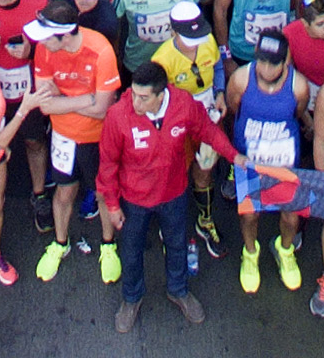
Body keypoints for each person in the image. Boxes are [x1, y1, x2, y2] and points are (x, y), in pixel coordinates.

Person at [97, 52, 237, 330]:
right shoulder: (117, 116)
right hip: (134, 199)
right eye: (134, 94)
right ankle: (131, 298)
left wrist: (234, 156)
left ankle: (178, 290)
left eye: (143, 98)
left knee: (177, 245)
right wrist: (112, 205)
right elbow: (108, 164)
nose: (135, 102)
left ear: (161, 96)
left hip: (173, 194)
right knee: (131, 250)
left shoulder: (184, 104)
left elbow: (207, 131)